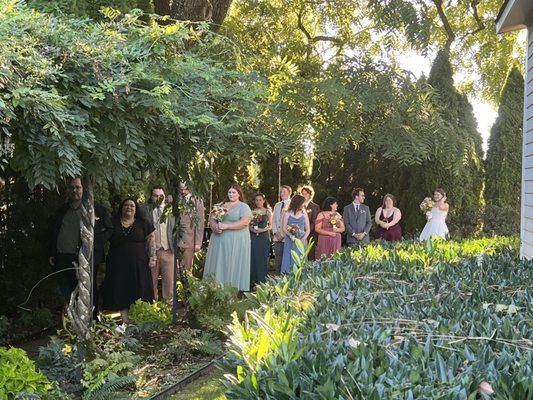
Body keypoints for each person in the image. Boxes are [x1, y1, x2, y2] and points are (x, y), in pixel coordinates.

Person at [49, 178, 113, 315]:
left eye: (78, 187)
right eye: (72, 187)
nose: (74, 190)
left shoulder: (97, 209)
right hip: (64, 257)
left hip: (87, 257)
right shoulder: (62, 210)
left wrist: (93, 241)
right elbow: (54, 232)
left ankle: (92, 322)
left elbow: (110, 229)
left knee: (88, 290)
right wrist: (52, 253)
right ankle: (73, 321)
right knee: (68, 291)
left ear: (84, 189)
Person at [102, 198, 155, 323]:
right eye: (126, 205)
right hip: (117, 265)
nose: (129, 207)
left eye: (132, 205)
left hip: (138, 265)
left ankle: (137, 324)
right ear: (121, 207)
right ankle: (124, 323)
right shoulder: (113, 223)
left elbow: (151, 240)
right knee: (121, 292)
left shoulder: (143, 223)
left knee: (138, 292)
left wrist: (153, 257)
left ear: (136, 209)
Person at [203, 185, 252, 291]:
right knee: (219, 261)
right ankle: (215, 286)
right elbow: (211, 220)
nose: (231, 194)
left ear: (239, 194)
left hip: (236, 240)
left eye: (234, 192)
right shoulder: (220, 205)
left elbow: (245, 222)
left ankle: (232, 287)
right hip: (219, 239)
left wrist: (227, 226)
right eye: (229, 192)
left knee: (232, 262)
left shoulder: (244, 207)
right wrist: (215, 227)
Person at [147, 186, 177, 301]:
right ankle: (153, 306)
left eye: (161, 196)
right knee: (151, 282)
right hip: (152, 252)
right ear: (151, 197)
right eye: (155, 196)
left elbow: (180, 228)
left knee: (169, 283)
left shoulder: (172, 211)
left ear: (165, 197)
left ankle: (168, 308)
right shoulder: (147, 211)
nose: (158, 198)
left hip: (168, 250)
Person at [177, 182, 205, 272]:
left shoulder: (197, 200)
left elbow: (200, 223)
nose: (183, 191)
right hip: (175, 239)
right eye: (181, 189)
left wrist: (198, 243)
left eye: (185, 189)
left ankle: (186, 285)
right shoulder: (176, 199)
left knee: (187, 269)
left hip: (190, 239)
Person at [280, 194, 310, 273]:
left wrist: (304, 238)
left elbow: (308, 229)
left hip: (301, 240)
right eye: (302, 203)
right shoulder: (287, 213)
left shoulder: (304, 213)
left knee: (300, 258)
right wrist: (290, 235)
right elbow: (284, 227)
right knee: (289, 258)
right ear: (298, 203)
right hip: (290, 240)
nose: (304, 204)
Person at [249, 193, 273, 289]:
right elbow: (248, 224)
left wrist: (262, 230)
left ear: (264, 201)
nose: (258, 202)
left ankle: (261, 281)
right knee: (253, 257)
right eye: (256, 200)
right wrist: (253, 230)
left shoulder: (268, 212)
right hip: (253, 237)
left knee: (262, 258)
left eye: (260, 200)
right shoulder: (251, 211)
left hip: (264, 237)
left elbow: (271, 225)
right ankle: (252, 281)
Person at [272, 185, 292, 273]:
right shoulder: (277, 205)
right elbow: (273, 220)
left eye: (284, 191)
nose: (282, 193)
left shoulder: (292, 205)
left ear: (289, 193)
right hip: (277, 237)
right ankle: (277, 276)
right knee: (278, 258)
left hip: (287, 237)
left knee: (286, 258)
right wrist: (275, 232)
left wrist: (283, 234)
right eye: (281, 192)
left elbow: (291, 221)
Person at [301, 186, 320, 260]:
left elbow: (314, 222)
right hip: (299, 233)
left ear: (310, 195)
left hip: (310, 234)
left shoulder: (315, 206)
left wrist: (306, 232)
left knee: (310, 254)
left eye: (306, 194)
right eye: (302, 194)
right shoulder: (299, 206)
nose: (303, 195)